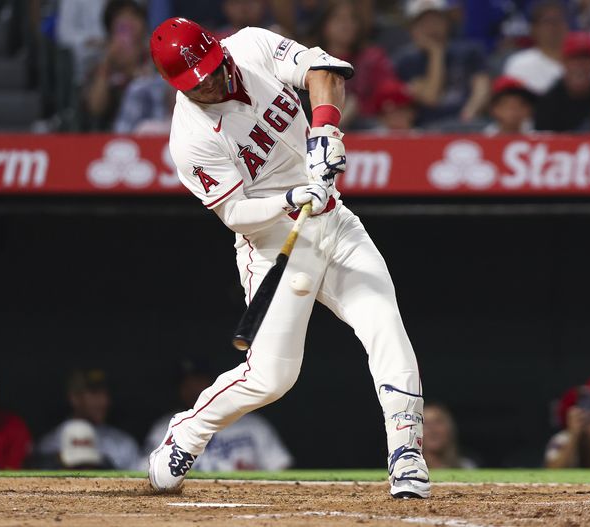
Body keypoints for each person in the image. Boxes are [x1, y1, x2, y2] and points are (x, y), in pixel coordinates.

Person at [146, 17, 430, 499]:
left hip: (335, 224)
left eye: (213, 69)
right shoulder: (190, 136)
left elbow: (324, 71)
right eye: (198, 81)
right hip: (274, 243)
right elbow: (235, 212)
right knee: (271, 377)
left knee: (384, 320)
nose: (211, 83)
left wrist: (325, 134)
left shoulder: (252, 46)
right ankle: (187, 433)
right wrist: (290, 197)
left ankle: (406, 453)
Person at [142, 359, 292, 472]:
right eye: (187, 384)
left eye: (199, 381)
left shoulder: (253, 424)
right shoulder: (165, 427)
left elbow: (280, 467)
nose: (194, 388)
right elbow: (145, 471)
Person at [393, 0, 490, 128]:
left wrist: (470, 112)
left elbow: (482, 87)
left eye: (436, 20)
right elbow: (431, 97)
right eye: (424, 22)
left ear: (447, 22)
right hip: (426, 127)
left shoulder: (470, 51)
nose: (431, 27)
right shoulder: (406, 60)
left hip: (468, 122)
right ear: (413, 28)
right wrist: (436, 54)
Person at [312, 0, 401, 128]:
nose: (346, 24)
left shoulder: (372, 57)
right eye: (338, 18)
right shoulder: (311, 59)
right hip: (316, 122)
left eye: (352, 19)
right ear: (324, 25)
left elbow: (390, 91)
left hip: (364, 125)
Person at [36, 368, 140, 470]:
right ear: (74, 398)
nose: (104, 401)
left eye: (105, 393)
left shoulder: (123, 445)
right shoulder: (49, 445)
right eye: (95, 393)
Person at [83, 0, 149, 130]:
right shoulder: (99, 63)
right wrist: (107, 63)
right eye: (121, 18)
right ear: (110, 27)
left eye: (133, 16)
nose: (129, 23)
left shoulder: (155, 58)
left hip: (153, 133)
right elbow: (96, 107)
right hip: (110, 137)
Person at [534, 32, 590, 131]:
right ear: (563, 62)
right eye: (574, 59)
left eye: (585, 58)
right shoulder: (547, 103)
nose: (580, 64)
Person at [502, 1, 568, 95]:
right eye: (548, 22)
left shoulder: (581, 63)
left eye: (558, 21)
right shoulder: (519, 64)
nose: (554, 27)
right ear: (534, 29)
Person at [422, 403, 476, 469]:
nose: (432, 430)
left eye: (438, 422)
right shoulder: (408, 470)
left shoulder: (466, 466)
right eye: (425, 424)